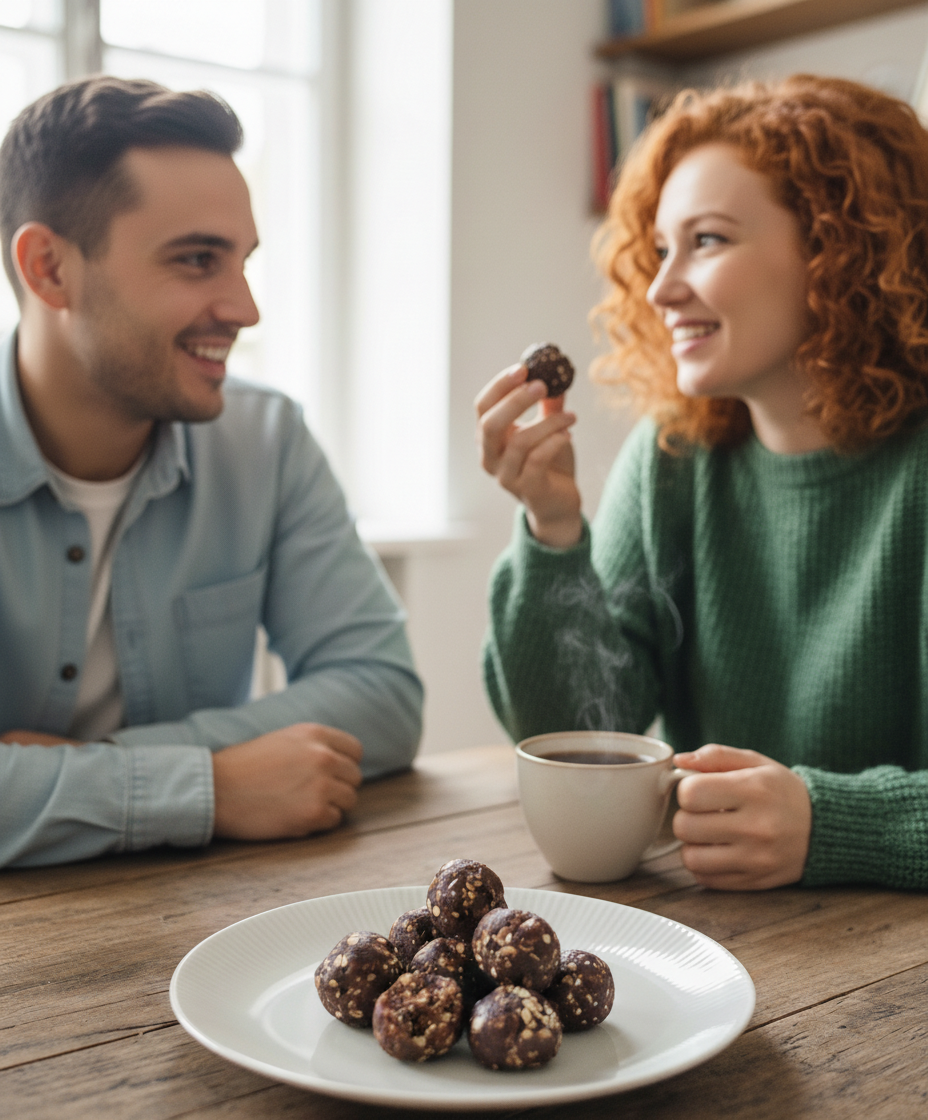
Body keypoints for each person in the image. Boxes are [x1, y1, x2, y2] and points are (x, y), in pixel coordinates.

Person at [477, 74, 928, 892]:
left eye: (709, 241)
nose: (660, 288)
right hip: (720, 947)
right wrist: (552, 532)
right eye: (659, 251)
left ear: (841, 249)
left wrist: (832, 824)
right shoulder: (672, 458)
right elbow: (578, 739)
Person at [0, 76, 423, 868]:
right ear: (49, 269)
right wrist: (209, 786)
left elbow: (382, 695)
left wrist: (78, 775)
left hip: (209, 922)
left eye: (243, 262)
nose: (245, 308)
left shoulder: (266, 439)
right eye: (197, 260)